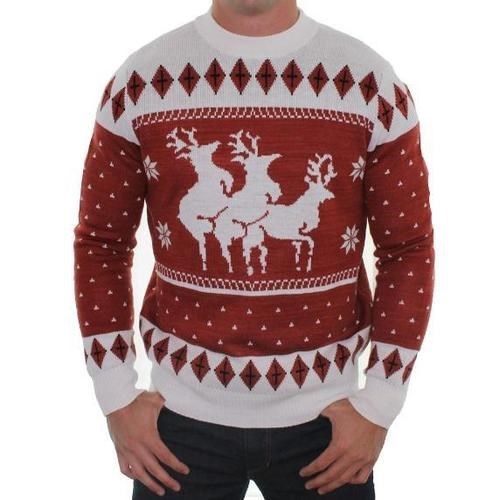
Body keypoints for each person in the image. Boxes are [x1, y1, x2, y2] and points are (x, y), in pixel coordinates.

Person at [73, 0, 435, 498]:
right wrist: (115, 395)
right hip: (178, 426)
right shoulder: (139, 85)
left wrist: (380, 404)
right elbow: (101, 243)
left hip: (328, 427)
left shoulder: (371, 87)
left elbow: (408, 248)